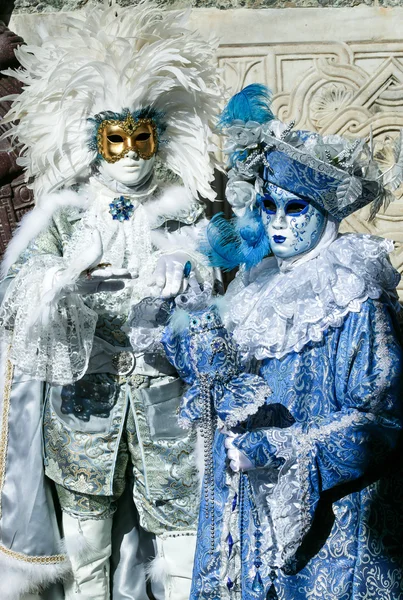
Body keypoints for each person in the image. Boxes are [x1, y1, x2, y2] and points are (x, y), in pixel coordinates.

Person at [0, 4, 219, 599]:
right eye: (114, 137)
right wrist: (63, 285)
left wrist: (193, 269)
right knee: (87, 552)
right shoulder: (66, 212)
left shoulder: (187, 206)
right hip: (84, 403)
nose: (129, 152)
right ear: (92, 138)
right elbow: (17, 290)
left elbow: (224, 285)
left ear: (162, 133)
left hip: (167, 401)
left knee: (181, 544)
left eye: (140, 135)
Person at [179, 85, 403, 599]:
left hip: (331, 520)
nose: (277, 223)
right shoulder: (254, 287)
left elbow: (382, 416)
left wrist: (281, 450)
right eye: (268, 205)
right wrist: (187, 317)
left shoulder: (356, 295)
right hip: (245, 504)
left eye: (295, 208)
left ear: (323, 212)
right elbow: (216, 377)